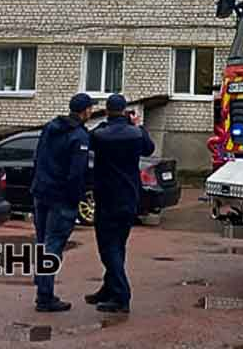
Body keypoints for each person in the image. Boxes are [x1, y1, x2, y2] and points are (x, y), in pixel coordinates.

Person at [87, 94, 155, 314]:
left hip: (107, 198)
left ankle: (121, 296)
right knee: (118, 246)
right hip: (129, 197)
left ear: (107, 110)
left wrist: (107, 122)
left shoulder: (101, 134)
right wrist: (137, 125)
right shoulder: (136, 134)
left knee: (107, 248)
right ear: (125, 110)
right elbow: (149, 148)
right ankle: (109, 289)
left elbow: (90, 139)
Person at [30, 92, 93, 313]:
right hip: (60, 199)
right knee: (53, 244)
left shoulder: (50, 128)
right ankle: (45, 296)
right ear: (85, 111)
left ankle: (42, 285)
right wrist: (74, 199)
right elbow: (77, 174)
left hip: (41, 192)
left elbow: (37, 158)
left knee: (43, 243)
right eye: (90, 109)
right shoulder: (79, 137)